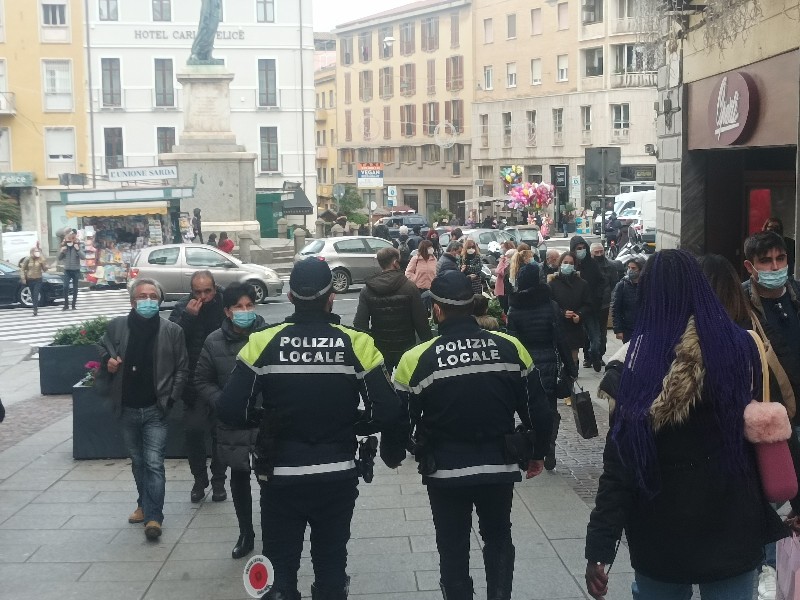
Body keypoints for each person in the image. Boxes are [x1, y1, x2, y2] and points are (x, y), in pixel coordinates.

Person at [585, 250, 788, 600]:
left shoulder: (633, 365)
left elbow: (620, 466)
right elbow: (762, 424)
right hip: (730, 522)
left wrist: (600, 547)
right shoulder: (742, 348)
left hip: (660, 530)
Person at [216, 257, 408, 600]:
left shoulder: (262, 342)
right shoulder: (356, 343)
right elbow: (388, 408)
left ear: (290, 296)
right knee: (331, 566)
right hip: (336, 475)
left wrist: (266, 422)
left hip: (280, 476)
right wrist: (356, 423)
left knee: (280, 569)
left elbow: (231, 409)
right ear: (331, 296)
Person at [393, 271, 551, 600]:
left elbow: (398, 421)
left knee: (452, 546)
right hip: (498, 466)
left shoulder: (415, 359)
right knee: (498, 538)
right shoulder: (511, 347)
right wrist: (538, 453)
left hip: (446, 470)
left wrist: (395, 453)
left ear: (436, 310)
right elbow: (539, 409)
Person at [98, 278, 188, 540]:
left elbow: (182, 368)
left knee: (154, 463)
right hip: (126, 407)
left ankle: (154, 517)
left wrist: (170, 399)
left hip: (155, 409)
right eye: (142, 296)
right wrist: (108, 362)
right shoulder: (118, 327)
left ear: (159, 301)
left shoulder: (171, 330)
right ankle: (143, 503)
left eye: (152, 296)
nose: (147, 301)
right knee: (138, 462)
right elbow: (102, 348)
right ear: (132, 301)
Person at [741, 233, 800, 600]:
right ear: (750, 266)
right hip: (770, 422)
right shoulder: (740, 306)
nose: (776, 267)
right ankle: (765, 572)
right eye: (767, 261)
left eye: (781, 259)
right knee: (770, 494)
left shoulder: (796, 295)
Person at [194, 283, 265, 560]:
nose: (245, 311)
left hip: (264, 419)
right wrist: (223, 401)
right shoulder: (214, 341)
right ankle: (245, 532)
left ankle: (272, 532)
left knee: (270, 480)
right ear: (227, 311)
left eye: (249, 306)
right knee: (239, 479)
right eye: (239, 307)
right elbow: (201, 379)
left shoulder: (269, 336)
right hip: (233, 421)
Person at [507, 263, 577, 471]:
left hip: (526, 364)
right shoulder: (551, 306)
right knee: (549, 410)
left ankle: (532, 448)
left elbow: (513, 343)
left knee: (528, 409)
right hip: (549, 363)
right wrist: (570, 367)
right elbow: (561, 339)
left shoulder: (514, 309)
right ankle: (549, 448)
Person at [169, 270, 227, 503]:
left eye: (207, 291)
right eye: (197, 291)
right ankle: (199, 479)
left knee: (220, 434)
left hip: (221, 379)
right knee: (193, 432)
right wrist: (189, 318)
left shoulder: (225, 304)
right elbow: (172, 339)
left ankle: (219, 481)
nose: (203, 296)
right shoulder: (184, 307)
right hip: (193, 382)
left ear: (215, 288)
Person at [354, 247, 433, 372]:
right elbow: (421, 321)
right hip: (407, 347)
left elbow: (359, 324)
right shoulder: (410, 287)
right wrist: (428, 344)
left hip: (380, 347)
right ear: (395, 262)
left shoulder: (367, 290)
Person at [548, 252, 591, 394]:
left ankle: (571, 385)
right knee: (560, 357)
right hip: (558, 326)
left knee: (573, 357)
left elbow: (587, 304)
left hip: (575, 326)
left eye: (571, 263)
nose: (568, 265)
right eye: (565, 262)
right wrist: (561, 312)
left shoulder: (582, 284)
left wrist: (580, 314)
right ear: (560, 264)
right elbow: (549, 304)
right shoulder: (552, 284)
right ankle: (563, 385)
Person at [570, 235, 606, 371]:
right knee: (576, 340)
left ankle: (594, 355)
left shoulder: (592, 264)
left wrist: (597, 297)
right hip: (574, 309)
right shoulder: (570, 263)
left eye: (583, 248)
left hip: (590, 308)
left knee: (595, 338)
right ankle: (576, 364)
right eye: (578, 248)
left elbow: (601, 281)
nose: (581, 250)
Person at [590, 242, 620, 362]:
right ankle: (589, 356)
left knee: (602, 331)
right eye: (596, 252)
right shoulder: (587, 266)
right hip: (590, 304)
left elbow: (614, 284)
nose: (599, 254)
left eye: (601, 251)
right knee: (590, 330)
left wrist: (609, 297)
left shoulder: (610, 266)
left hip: (604, 303)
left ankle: (600, 354)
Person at [611, 257, 645, 343]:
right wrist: (618, 330)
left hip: (645, 327)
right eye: (629, 268)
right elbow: (616, 308)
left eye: (633, 268)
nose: (630, 270)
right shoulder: (622, 285)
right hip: (628, 329)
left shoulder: (648, 285)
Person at [405, 240, 437, 315]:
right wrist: (415, 279)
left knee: (430, 312)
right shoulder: (415, 259)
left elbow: (436, 272)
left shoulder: (434, 259)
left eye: (431, 247)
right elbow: (408, 273)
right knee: (420, 311)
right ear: (424, 248)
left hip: (431, 289)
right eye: (429, 247)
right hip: (419, 289)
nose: (431, 248)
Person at [59, 232, 85, 311]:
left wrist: (78, 250)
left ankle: (73, 305)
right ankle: (66, 305)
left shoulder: (78, 246)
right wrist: (62, 252)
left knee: (75, 288)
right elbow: (59, 258)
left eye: (71, 239)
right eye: (68, 239)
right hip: (67, 270)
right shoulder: (64, 247)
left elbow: (83, 257)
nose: (69, 241)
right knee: (65, 287)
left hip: (75, 270)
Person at [21, 247, 48, 316]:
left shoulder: (40, 259)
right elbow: (22, 268)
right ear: (32, 252)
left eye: (38, 251)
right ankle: (35, 306)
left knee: (36, 293)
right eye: (35, 251)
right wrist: (23, 278)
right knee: (32, 294)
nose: (37, 253)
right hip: (30, 279)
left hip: (38, 279)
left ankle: (35, 309)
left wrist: (45, 264)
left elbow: (44, 269)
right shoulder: (28, 259)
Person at [494, 242, 517, 313]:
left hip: (511, 288)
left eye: (503, 247)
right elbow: (498, 271)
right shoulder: (503, 260)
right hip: (502, 287)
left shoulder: (515, 261)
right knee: (503, 306)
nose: (501, 249)